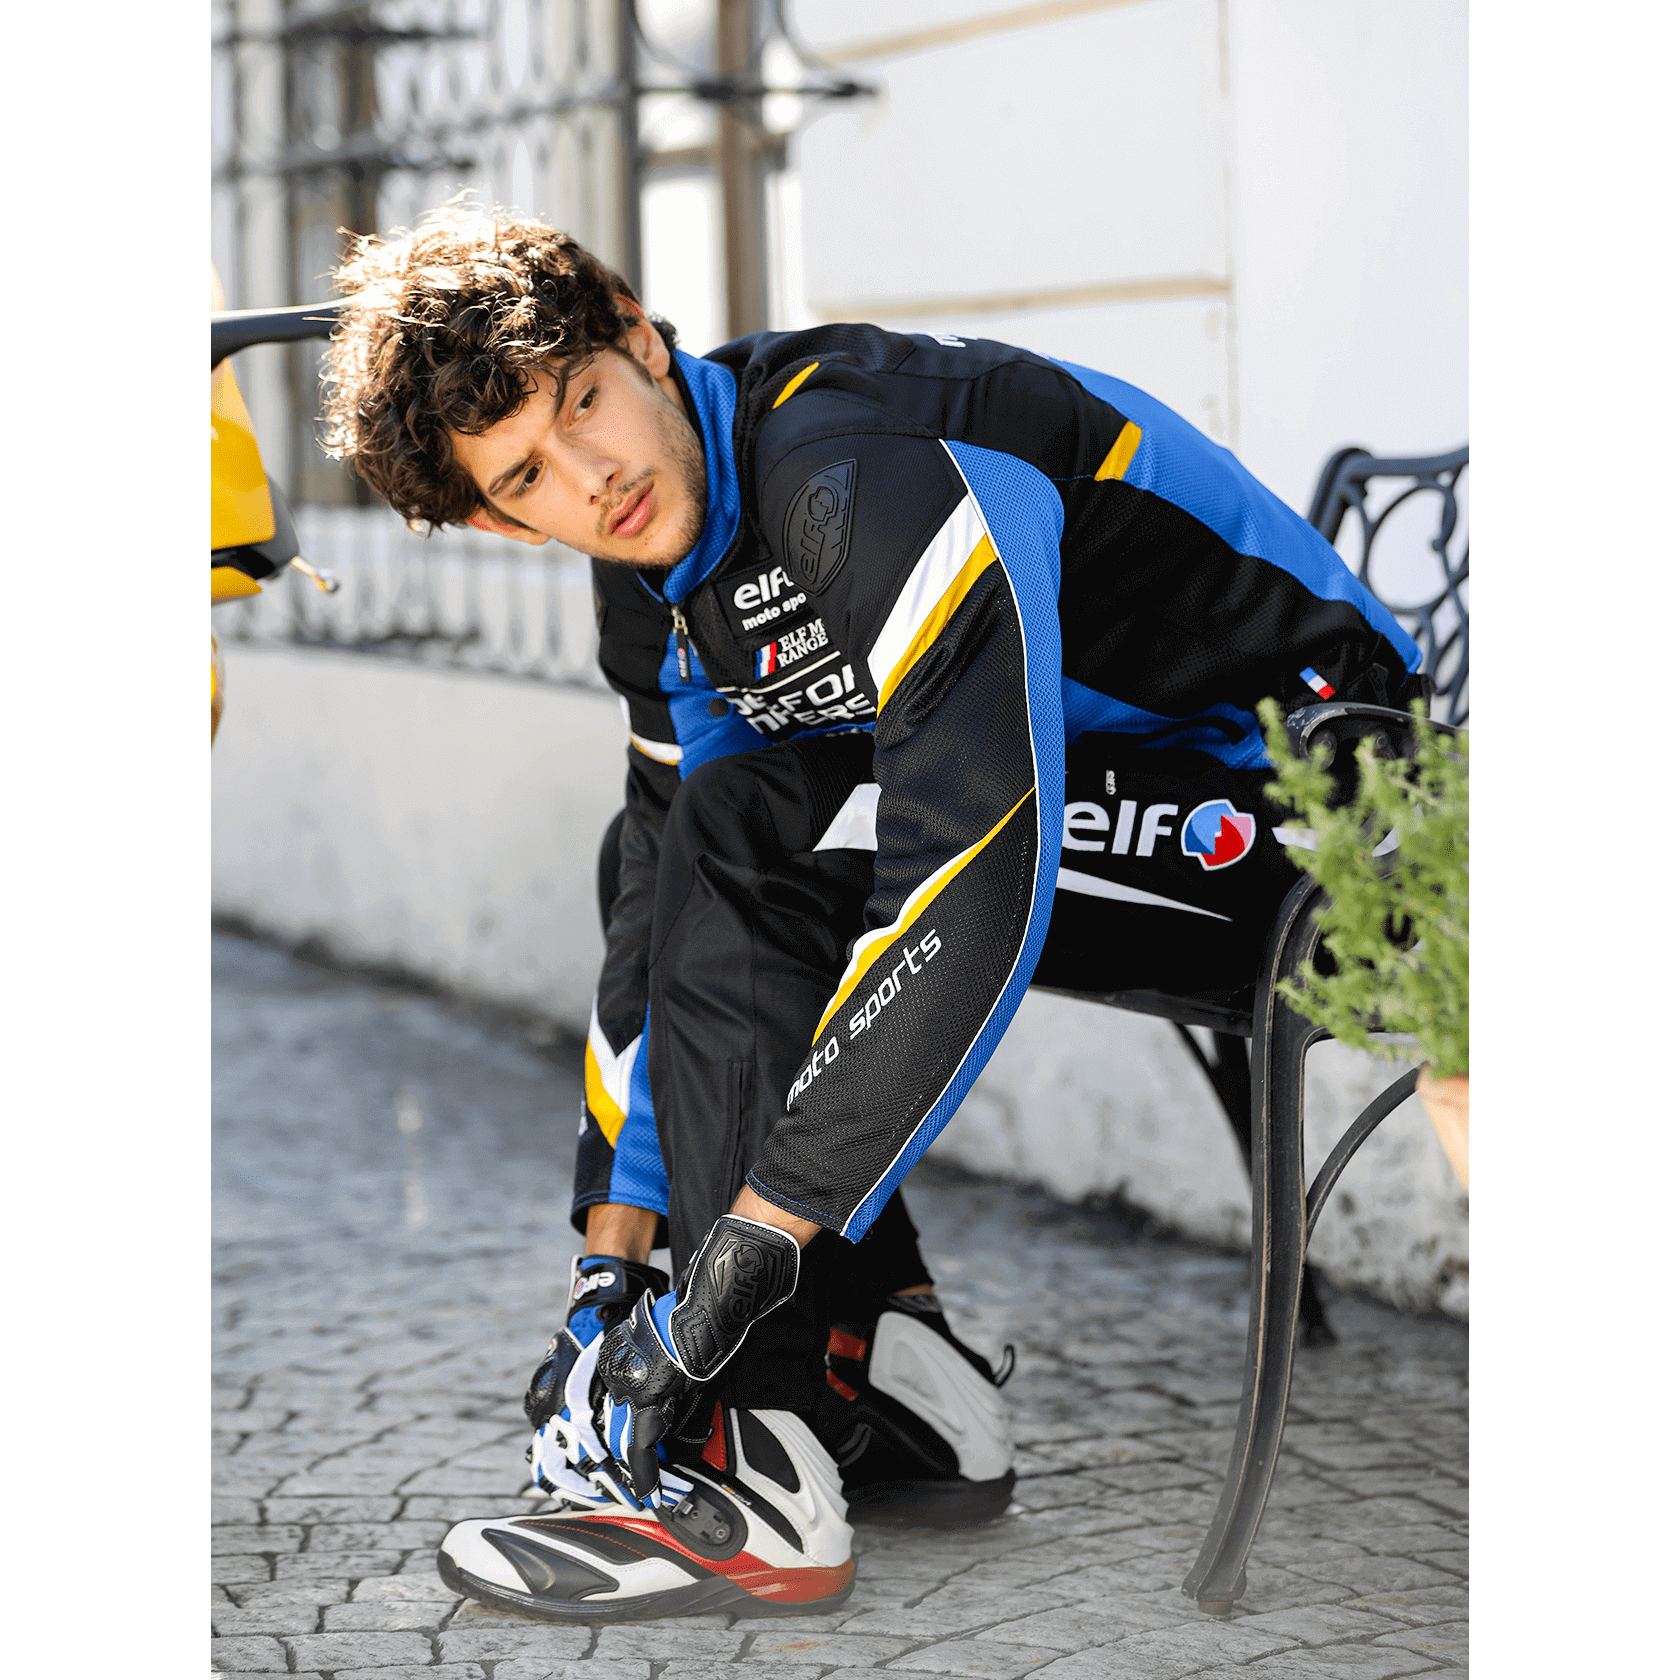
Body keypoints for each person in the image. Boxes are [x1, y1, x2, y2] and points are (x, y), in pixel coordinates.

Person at [321, 204, 1425, 1623]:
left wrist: (743, 1262)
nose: (593, 477)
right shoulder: (652, 579)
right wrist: (611, 1266)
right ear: (496, 517)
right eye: (529, 471)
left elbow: (978, 861)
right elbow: (657, 903)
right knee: (686, 836)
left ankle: (749, 1457)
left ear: (640, 339)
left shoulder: (856, 460)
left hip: (1327, 826)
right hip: (1125, 823)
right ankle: (890, 1373)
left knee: (760, 820)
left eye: (583, 400)